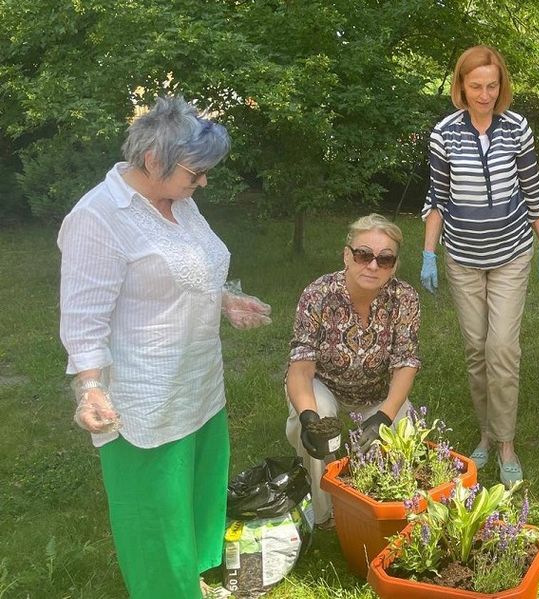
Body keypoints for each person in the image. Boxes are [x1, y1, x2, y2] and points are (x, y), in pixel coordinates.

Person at [58, 96, 271, 599]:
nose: (203, 182)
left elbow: (187, 266)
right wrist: (89, 389)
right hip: (145, 398)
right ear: (154, 161)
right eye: (195, 172)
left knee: (192, 498)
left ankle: (188, 581)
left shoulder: (180, 202)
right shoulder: (99, 216)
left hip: (198, 384)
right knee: (154, 516)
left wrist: (226, 300)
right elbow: (84, 319)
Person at [420, 45, 539, 485]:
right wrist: (428, 253)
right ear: (461, 86)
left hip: (511, 255)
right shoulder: (444, 133)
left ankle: (507, 442)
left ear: (502, 85)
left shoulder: (517, 128)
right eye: (475, 86)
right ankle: (485, 431)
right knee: (476, 350)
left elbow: (532, 190)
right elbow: (437, 198)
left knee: (502, 348)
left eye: (492, 85)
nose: (484, 94)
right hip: (462, 257)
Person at [284, 214, 420, 528]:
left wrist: (384, 416)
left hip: (375, 391)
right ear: (347, 255)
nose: (373, 265)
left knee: (405, 432)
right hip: (324, 383)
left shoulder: (405, 298)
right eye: (363, 255)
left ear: (394, 266)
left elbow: (406, 363)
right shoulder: (317, 294)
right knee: (312, 425)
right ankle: (324, 515)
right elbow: (301, 366)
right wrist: (308, 417)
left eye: (384, 259)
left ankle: (380, 506)